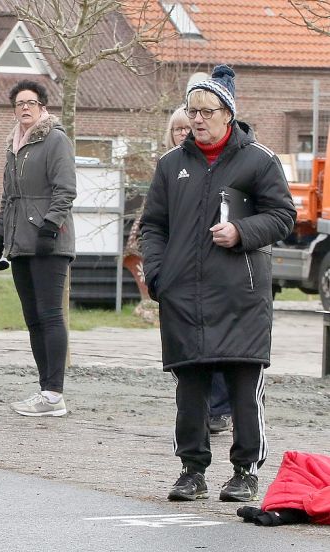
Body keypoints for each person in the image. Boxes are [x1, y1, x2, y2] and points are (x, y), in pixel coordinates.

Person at [140, 65, 296, 502]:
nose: (197, 120)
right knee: (190, 387)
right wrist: (157, 275)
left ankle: (245, 471)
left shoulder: (259, 160)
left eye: (207, 110)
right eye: (192, 111)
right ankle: (192, 470)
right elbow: (152, 226)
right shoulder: (171, 165)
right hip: (182, 296)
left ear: (228, 113)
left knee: (244, 385)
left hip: (240, 296)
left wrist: (242, 233)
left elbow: (283, 216)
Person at [0, 81, 76, 417]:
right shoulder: (13, 145)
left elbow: (66, 190)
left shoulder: (55, 140)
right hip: (19, 241)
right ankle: (45, 390)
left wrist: (50, 227)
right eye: (19, 103)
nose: (25, 108)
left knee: (50, 314)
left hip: (49, 241)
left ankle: (55, 394)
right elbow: (8, 197)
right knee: (33, 318)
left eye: (32, 102)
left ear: (42, 107)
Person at [161, 107, 234, 436]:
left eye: (184, 128)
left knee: (215, 345)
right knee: (186, 347)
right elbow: (155, 221)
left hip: (213, 269)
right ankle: (195, 411)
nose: (181, 133)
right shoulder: (169, 167)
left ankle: (219, 409)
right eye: (175, 129)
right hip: (178, 274)